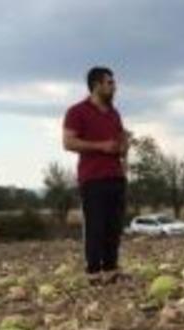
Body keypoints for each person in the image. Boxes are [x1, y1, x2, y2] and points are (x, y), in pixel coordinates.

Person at [62, 66, 129, 284]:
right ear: (96, 85)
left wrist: (124, 145)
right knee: (96, 226)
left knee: (114, 226)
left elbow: (120, 144)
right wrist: (101, 146)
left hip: (116, 176)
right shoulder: (77, 111)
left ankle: (111, 270)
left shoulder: (114, 113)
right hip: (93, 178)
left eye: (113, 83)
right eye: (110, 83)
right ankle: (93, 272)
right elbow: (68, 142)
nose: (114, 87)